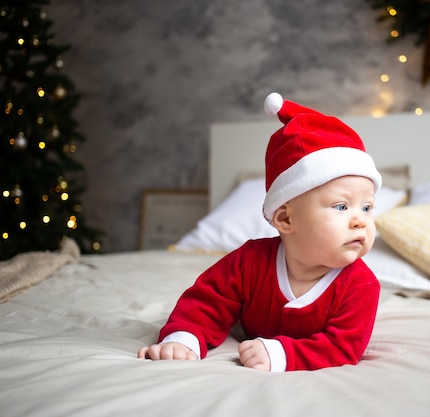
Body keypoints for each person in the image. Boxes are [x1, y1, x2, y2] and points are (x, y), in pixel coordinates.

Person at [138, 92, 382, 372]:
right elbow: (207, 302)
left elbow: (343, 348)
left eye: (367, 208)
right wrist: (184, 340)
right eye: (341, 206)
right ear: (285, 219)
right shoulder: (249, 262)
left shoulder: (361, 285)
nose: (360, 221)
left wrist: (281, 354)